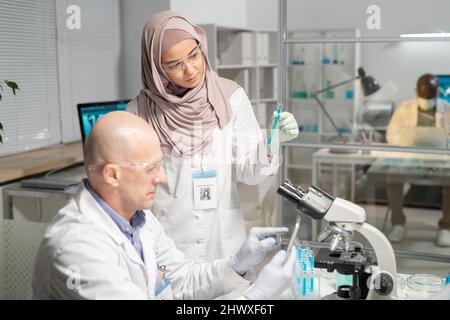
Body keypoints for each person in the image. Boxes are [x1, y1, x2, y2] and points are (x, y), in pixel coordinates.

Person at [32, 111, 296, 300]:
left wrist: (237, 263)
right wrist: (257, 297)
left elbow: (182, 279)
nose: (162, 177)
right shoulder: (77, 247)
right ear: (113, 175)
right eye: (151, 168)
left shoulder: (138, 219)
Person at [127, 11, 299, 261]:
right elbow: (133, 186)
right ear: (155, 67)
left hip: (223, 238)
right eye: (175, 64)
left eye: (194, 55)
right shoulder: (138, 112)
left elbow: (249, 174)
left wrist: (272, 143)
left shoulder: (231, 97)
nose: (190, 69)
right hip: (169, 241)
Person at [386, 74, 450, 246]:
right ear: (416, 91)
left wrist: (444, 140)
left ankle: (446, 227)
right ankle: (398, 224)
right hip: (410, 162)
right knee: (392, 178)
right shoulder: (404, 108)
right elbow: (390, 134)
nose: (426, 99)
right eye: (423, 95)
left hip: (439, 163)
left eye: (429, 95)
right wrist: (408, 139)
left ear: (437, 92)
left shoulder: (447, 108)